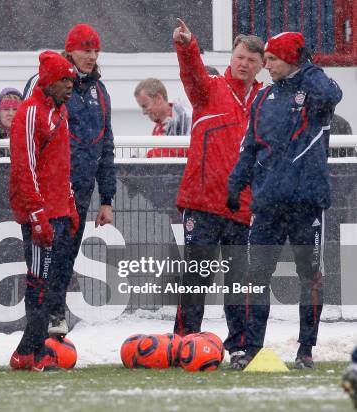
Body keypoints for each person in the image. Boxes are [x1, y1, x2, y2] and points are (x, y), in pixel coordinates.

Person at [227, 31, 342, 369]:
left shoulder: (315, 91)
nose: (266, 64)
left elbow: (334, 93)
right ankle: (251, 350)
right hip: (268, 205)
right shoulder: (263, 100)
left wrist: (305, 66)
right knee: (256, 277)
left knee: (311, 278)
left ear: (292, 59)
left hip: (307, 203)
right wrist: (236, 184)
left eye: (273, 58)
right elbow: (250, 146)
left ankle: (306, 350)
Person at [171, 18, 265, 369]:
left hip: (243, 207)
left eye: (251, 60)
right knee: (196, 273)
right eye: (240, 56)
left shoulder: (264, 100)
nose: (243, 63)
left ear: (261, 66)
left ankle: (238, 345)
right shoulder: (208, 89)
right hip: (202, 202)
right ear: (232, 57)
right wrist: (186, 44)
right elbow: (191, 72)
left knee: (239, 281)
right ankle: (184, 340)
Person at [23, 23, 116, 337]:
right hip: (52, 188)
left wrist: (107, 197)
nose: (91, 56)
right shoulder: (48, 83)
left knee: (66, 255)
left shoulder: (99, 91)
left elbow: (106, 145)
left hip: (82, 189)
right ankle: (39, 323)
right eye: (85, 50)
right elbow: (30, 134)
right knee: (45, 256)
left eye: (95, 50)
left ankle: (55, 311)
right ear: (70, 51)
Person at [9, 50, 78, 371]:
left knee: (51, 283)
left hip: (60, 211)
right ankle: (33, 352)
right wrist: (37, 215)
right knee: (39, 281)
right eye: (64, 80)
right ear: (49, 81)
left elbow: (62, 167)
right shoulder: (29, 113)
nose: (69, 85)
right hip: (42, 214)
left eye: (71, 80)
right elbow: (26, 168)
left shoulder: (59, 113)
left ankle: (28, 350)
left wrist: (71, 205)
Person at [133, 77, 190, 157]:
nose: (144, 112)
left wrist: (149, 155)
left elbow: (190, 149)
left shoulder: (185, 118)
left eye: (145, 106)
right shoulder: (159, 126)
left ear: (159, 98)